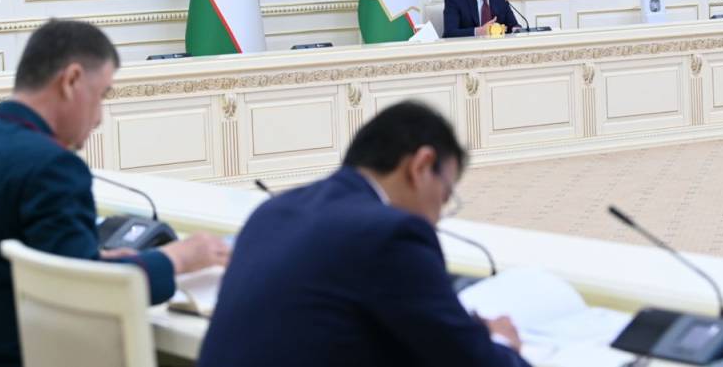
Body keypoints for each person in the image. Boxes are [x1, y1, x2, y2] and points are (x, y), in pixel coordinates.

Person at [199, 101, 531, 367]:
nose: (436, 218)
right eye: (444, 196)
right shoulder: (391, 234)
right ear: (421, 165)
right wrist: (501, 341)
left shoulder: (272, 211)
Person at [0, 19, 229, 367]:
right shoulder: (52, 167)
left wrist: (96, 262)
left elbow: (49, 264)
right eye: (102, 95)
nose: (98, 118)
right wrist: (179, 258)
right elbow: (82, 294)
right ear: (71, 80)